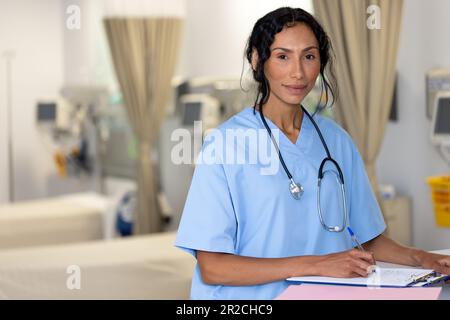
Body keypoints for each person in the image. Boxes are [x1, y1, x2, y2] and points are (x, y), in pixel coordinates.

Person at [175, 7, 450, 300]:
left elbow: (368, 239)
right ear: (258, 60)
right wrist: (318, 265)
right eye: (283, 56)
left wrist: (422, 258)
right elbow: (214, 268)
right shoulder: (225, 146)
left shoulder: (337, 141)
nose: (298, 72)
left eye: (309, 56)